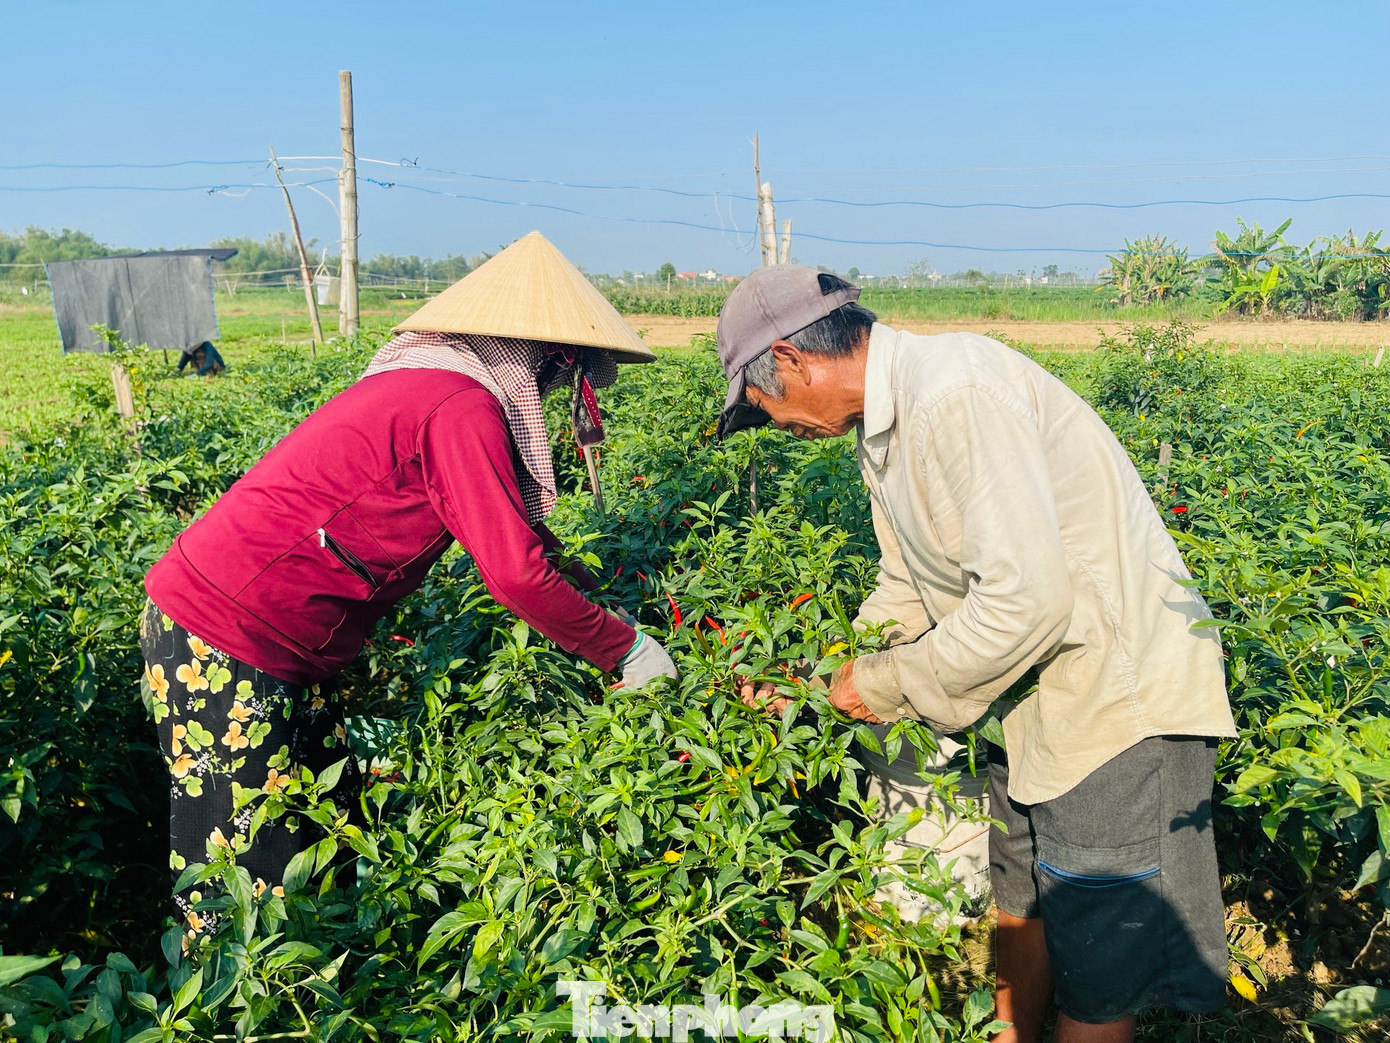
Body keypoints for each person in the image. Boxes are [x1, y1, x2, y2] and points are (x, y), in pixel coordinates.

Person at [716, 266, 1237, 1043]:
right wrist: (824, 675)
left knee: (1098, 977)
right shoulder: (885, 427)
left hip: (1111, 703)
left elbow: (1026, 600)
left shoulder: (954, 392)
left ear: (792, 360)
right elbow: (906, 586)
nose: (780, 429)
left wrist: (882, 684)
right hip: (1026, 696)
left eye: (769, 411)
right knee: (1019, 900)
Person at [141, 232, 678, 940]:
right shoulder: (457, 404)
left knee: (323, 836)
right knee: (246, 886)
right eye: (554, 375)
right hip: (225, 634)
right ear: (532, 356)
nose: (549, 393)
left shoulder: (431, 386)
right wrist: (626, 648)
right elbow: (513, 572)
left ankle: (338, 986)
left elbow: (494, 520)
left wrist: (567, 571)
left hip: (258, 637)